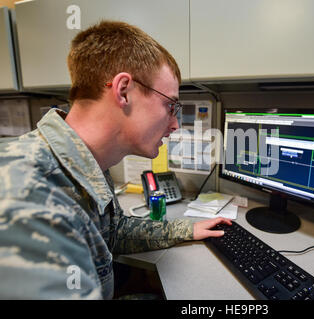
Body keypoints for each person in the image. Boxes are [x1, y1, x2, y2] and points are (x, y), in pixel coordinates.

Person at [0, 20, 231, 299]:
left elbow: (115, 231)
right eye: (171, 106)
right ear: (123, 91)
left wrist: (186, 229)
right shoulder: (28, 196)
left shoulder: (86, 161)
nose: (175, 125)